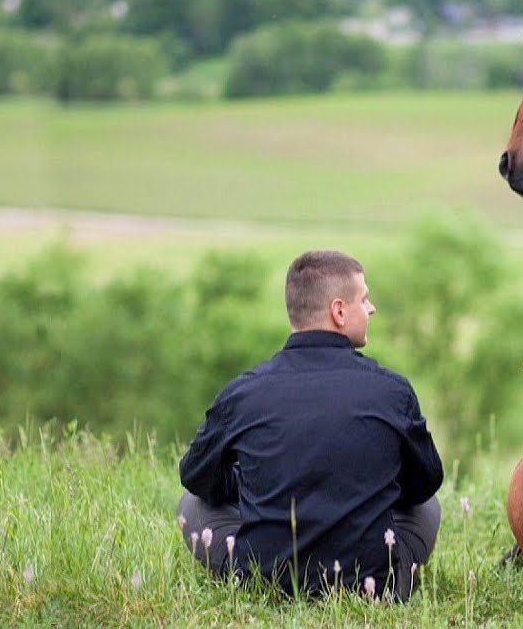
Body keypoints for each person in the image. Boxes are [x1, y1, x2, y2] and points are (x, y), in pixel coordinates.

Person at [177, 249, 443, 600]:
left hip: (265, 577)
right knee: (429, 507)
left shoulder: (243, 392)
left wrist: (254, 487)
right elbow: (424, 485)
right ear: (338, 311)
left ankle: (254, 576)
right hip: (373, 585)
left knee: (191, 505)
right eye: (364, 299)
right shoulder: (392, 390)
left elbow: (196, 475)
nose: (372, 308)